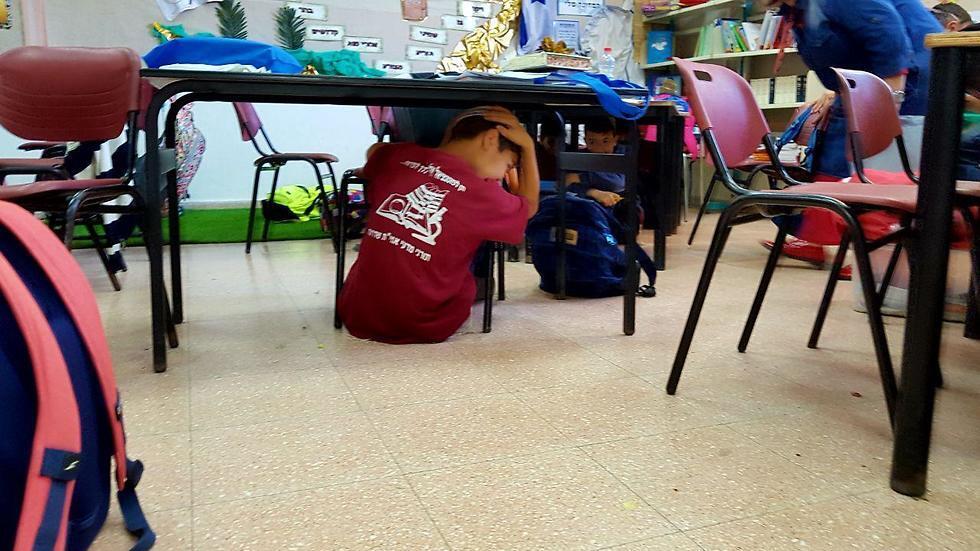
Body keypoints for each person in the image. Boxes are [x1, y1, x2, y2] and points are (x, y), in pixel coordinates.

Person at [761, 0, 942, 276]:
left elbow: (886, 29)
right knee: (833, 153)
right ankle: (819, 238)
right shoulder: (795, 9)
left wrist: (891, 98)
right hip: (863, 82)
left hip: (909, 75)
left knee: (883, 171)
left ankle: (880, 259)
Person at [338, 107, 539, 344]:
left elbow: (375, 151)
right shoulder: (483, 195)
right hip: (424, 324)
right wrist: (528, 147)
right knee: (470, 280)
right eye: (508, 165)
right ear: (491, 138)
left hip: (357, 314)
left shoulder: (398, 157)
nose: (500, 176)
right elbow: (530, 206)